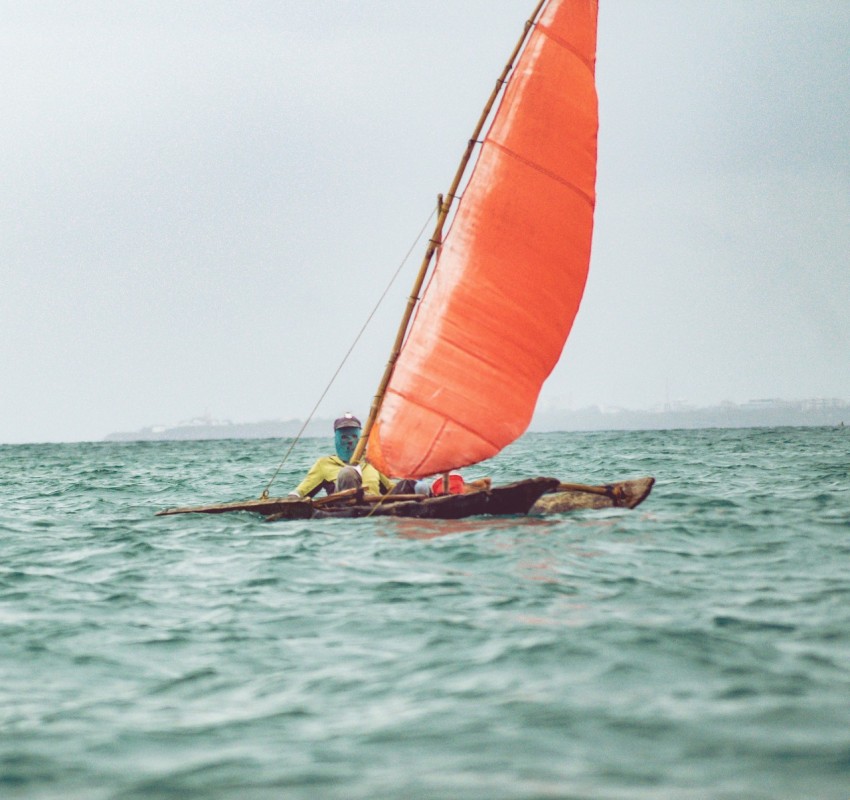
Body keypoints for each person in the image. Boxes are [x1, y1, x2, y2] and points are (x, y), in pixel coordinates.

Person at [289, 414, 396, 499]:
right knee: (347, 473)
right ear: (337, 439)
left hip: (373, 508)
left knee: (405, 483)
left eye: (354, 436)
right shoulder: (324, 464)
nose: (350, 441)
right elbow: (300, 492)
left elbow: (392, 489)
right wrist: (292, 498)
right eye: (344, 437)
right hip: (345, 509)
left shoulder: (371, 461)